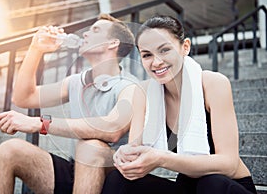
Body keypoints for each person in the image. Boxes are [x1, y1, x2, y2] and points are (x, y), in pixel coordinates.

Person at [0, 13, 138, 194]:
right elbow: (24, 97)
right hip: (76, 170)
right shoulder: (76, 81)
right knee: (9, 150)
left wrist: (41, 123)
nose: (86, 33)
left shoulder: (129, 86)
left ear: (113, 43)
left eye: (95, 30)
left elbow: (112, 129)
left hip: (113, 177)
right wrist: (36, 50)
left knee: (91, 146)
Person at [102, 15, 257, 194]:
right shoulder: (142, 92)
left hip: (225, 186)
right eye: (147, 55)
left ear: (185, 47)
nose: (157, 62)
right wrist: (125, 156)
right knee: (119, 180)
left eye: (165, 50)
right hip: (187, 186)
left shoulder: (213, 84)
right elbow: (136, 153)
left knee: (211, 183)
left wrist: (162, 158)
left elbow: (229, 164)